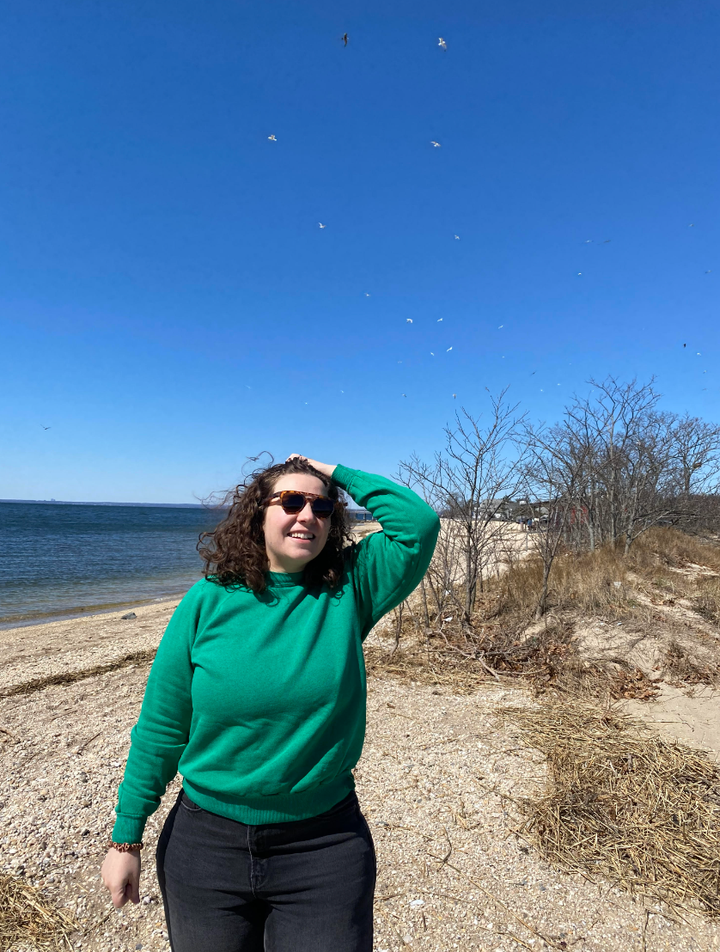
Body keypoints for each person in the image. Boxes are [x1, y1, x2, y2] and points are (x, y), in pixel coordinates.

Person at [101, 454, 440, 952]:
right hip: (205, 846)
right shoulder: (207, 601)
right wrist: (126, 837)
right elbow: (162, 725)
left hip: (323, 847)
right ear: (258, 514)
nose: (308, 515)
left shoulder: (350, 589)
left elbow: (418, 524)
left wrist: (335, 471)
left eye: (322, 507)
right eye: (291, 501)